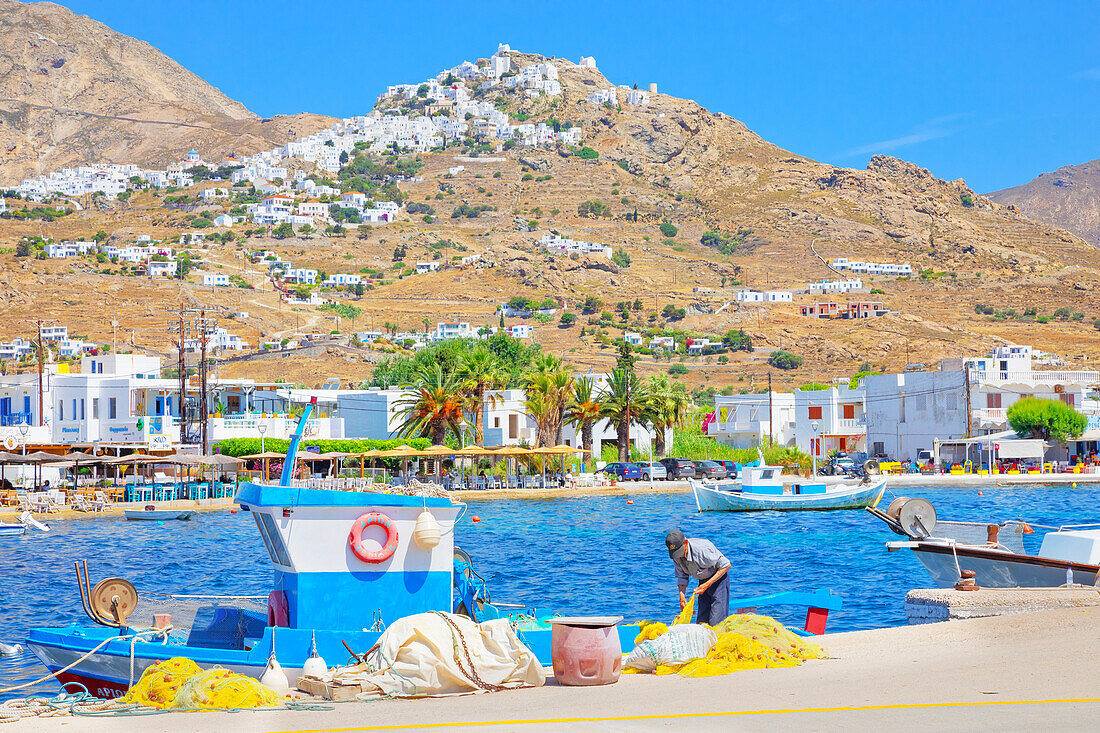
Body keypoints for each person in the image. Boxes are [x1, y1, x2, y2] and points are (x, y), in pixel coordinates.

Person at [665, 529, 731, 626]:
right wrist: (682, 597)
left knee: (716, 621)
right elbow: (682, 576)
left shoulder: (703, 549)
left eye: (680, 551)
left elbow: (726, 565)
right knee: (702, 621)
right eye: (675, 553)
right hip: (702, 580)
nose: (680, 555)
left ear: (686, 542)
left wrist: (706, 585)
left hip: (718, 579)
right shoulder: (676, 556)